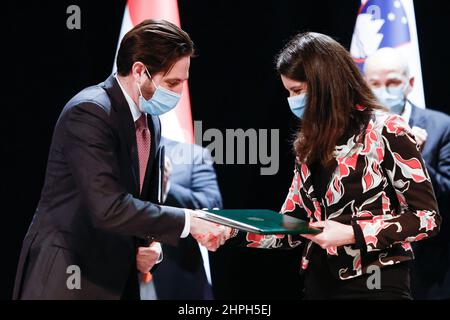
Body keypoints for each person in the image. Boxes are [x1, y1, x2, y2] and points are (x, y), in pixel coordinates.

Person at [13, 19, 230, 300]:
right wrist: (189, 221)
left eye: (183, 83)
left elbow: (143, 201)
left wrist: (150, 245)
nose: (178, 93)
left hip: (118, 280)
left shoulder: (152, 122)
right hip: (68, 279)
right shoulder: (90, 112)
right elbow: (108, 207)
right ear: (140, 70)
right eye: (172, 82)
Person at [226, 32, 441, 300]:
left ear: (326, 84)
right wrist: (228, 230)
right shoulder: (308, 144)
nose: (292, 101)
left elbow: (427, 218)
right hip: (319, 283)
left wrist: (352, 233)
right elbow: (292, 228)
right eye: (288, 92)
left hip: (376, 282)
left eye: (297, 91)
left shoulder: (386, 130)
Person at [364, 47, 450, 299]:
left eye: (392, 82)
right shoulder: (352, 129)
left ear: (409, 83)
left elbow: (447, 195)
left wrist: (415, 159)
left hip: (427, 266)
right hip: (370, 259)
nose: (383, 90)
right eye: (374, 84)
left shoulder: (441, 127)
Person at [148, 137, 222, 300]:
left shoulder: (192, 155)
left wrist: (168, 188)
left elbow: (213, 207)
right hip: (116, 275)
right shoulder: (110, 151)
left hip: (177, 277)